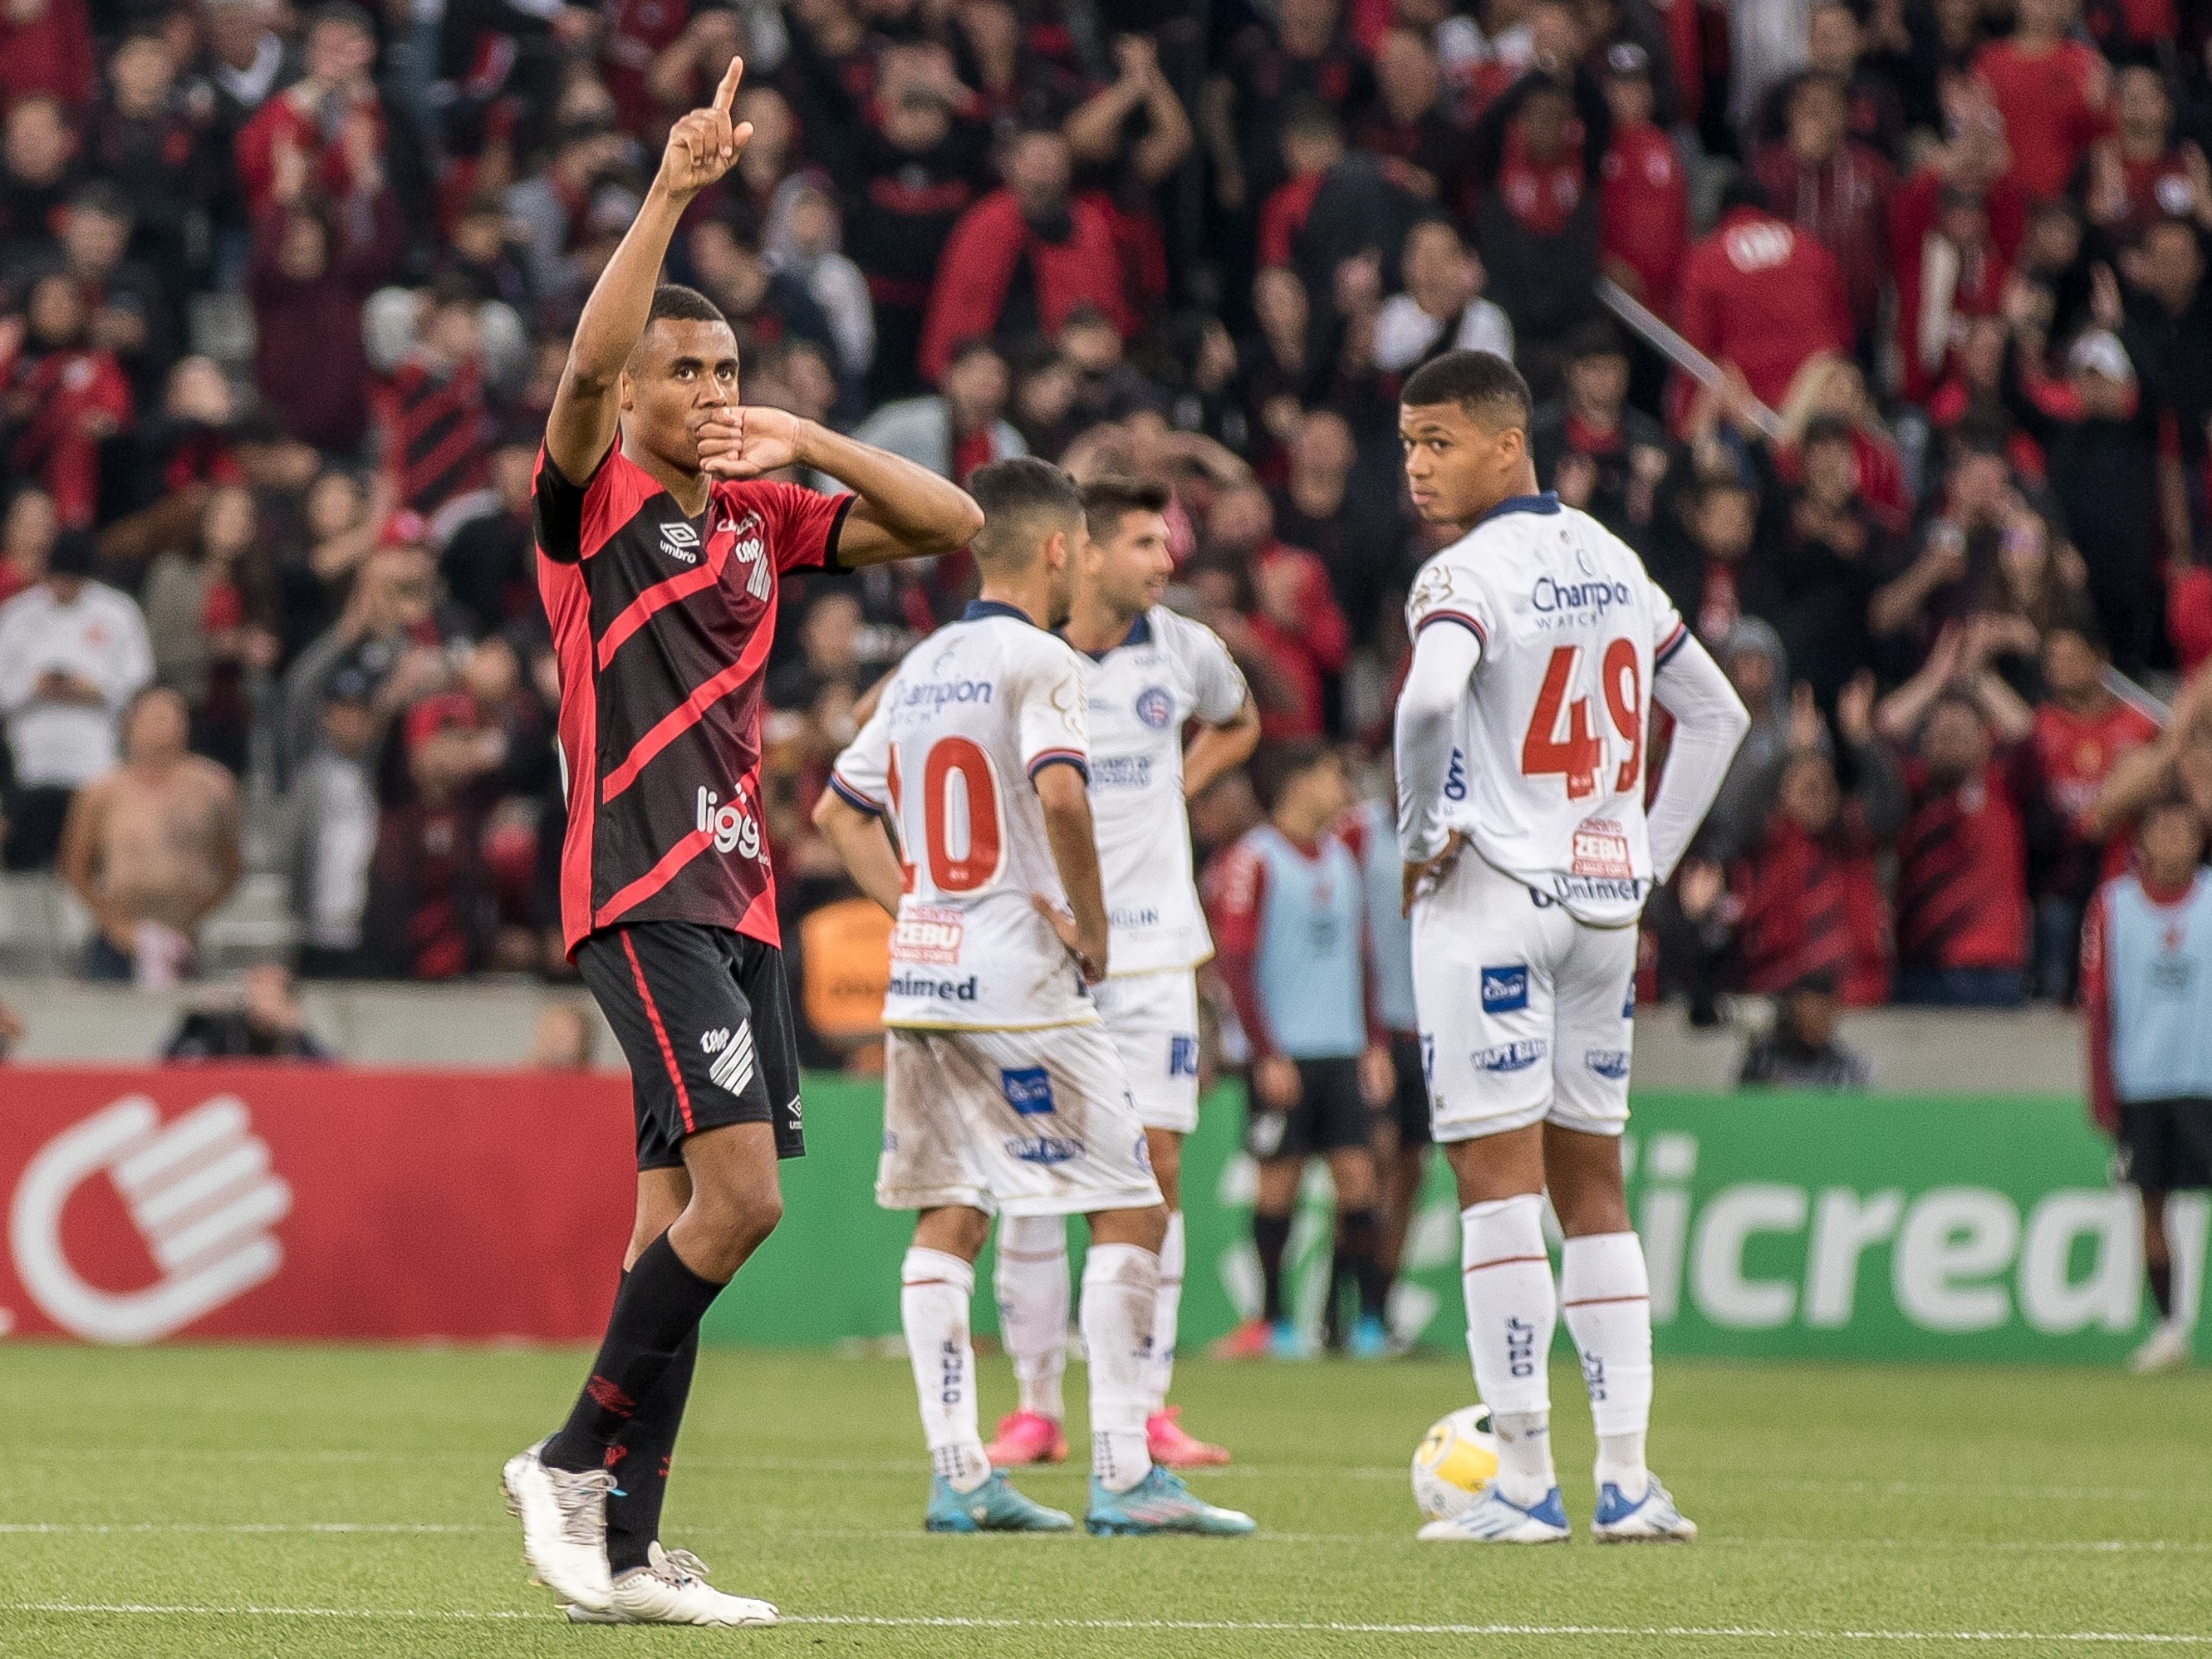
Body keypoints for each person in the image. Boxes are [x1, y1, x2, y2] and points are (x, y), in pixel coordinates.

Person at [503, 59, 986, 1628]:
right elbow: (579, 370)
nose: (710, 393)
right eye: (686, 374)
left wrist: (810, 436)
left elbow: (952, 523)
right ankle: (569, 1461)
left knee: (677, 1225)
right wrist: (669, 192)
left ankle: (629, 1555)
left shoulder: (751, 516)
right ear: (633, 399)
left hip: (739, 899)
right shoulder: (587, 508)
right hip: (637, 889)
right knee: (743, 1206)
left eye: (725, 370)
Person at [812, 457, 1254, 1539]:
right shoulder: (1041, 658)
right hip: (1022, 976)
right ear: (1059, 549)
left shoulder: (923, 665)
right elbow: (1062, 791)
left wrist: (917, 903)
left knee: (952, 1210)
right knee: (1131, 1199)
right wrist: (1087, 924)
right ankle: (1121, 1472)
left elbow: (836, 811)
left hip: (925, 970)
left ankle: (960, 1474)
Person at [1392, 349, 1749, 1543]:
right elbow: (1715, 713)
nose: (1414, 467)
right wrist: (1642, 852)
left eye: (1436, 441)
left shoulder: (1463, 572)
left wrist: (1418, 824)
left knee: (1493, 1186)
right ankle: (1630, 1483)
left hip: (1490, 893)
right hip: (1600, 907)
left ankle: (1524, 1485)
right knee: (1592, 1186)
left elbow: (1428, 702)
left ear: (1508, 442)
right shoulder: (1609, 558)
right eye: (1405, 444)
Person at [983, 476, 1258, 1475]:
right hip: (1045, 952)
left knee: (1154, 1174)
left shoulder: (1181, 648)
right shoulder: (1024, 652)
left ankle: (1142, 1404)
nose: (1165, 559)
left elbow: (1241, 719)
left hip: (1152, 955)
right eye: (1145, 542)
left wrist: (1181, 784)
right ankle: (1033, 1407)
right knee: (1032, 1179)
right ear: (1085, 552)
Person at [1206, 740, 1394, 1360]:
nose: (1341, 783)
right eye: (1330, 771)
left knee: (1359, 1185)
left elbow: (1362, 958)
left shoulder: (1343, 857)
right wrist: (1265, 1052)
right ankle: (1273, 1322)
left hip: (1341, 1052)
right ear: (1298, 781)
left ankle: (1359, 1323)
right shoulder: (1253, 859)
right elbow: (1233, 960)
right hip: (1284, 1055)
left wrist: (1372, 1041)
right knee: (1277, 1190)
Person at [2082, 795, 2212, 1375]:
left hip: (2205, 1077)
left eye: (2184, 829)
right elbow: (2097, 1001)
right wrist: (2102, 1090)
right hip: (2144, 1080)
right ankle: (2166, 1328)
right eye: (2161, 827)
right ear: (2141, 840)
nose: (2174, 840)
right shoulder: (2114, 905)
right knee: (2150, 1206)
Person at [57, 687, 242, 984]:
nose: (164, 727)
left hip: (181, 934)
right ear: (130, 726)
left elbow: (231, 867)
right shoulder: (101, 791)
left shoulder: (214, 786)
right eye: (154, 718)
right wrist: (112, 920)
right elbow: (74, 867)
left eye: (173, 718)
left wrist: (195, 914)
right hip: (119, 938)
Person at [0, 530, 154, 871]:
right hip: (30, 761)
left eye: (71, 581)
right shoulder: (18, 614)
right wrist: (34, 685)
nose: (63, 589)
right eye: (57, 579)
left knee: (89, 862)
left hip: (94, 757)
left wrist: (94, 689)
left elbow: (138, 680)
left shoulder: (117, 612)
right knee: (27, 864)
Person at [163, 963, 332, 1060]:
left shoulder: (302, 1048)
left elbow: (333, 1076)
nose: (260, 1008)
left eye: (269, 998)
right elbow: (171, 1069)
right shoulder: (228, 1037)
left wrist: (295, 1034)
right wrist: (194, 1025)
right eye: (254, 996)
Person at [1736, 973, 1872, 1089]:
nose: (1812, 1026)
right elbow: (1743, 1109)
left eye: (1820, 1015)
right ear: (1794, 1011)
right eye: (1805, 1015)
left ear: (1833, 1011)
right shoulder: (1764, 1060)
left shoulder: (1846, 1066)